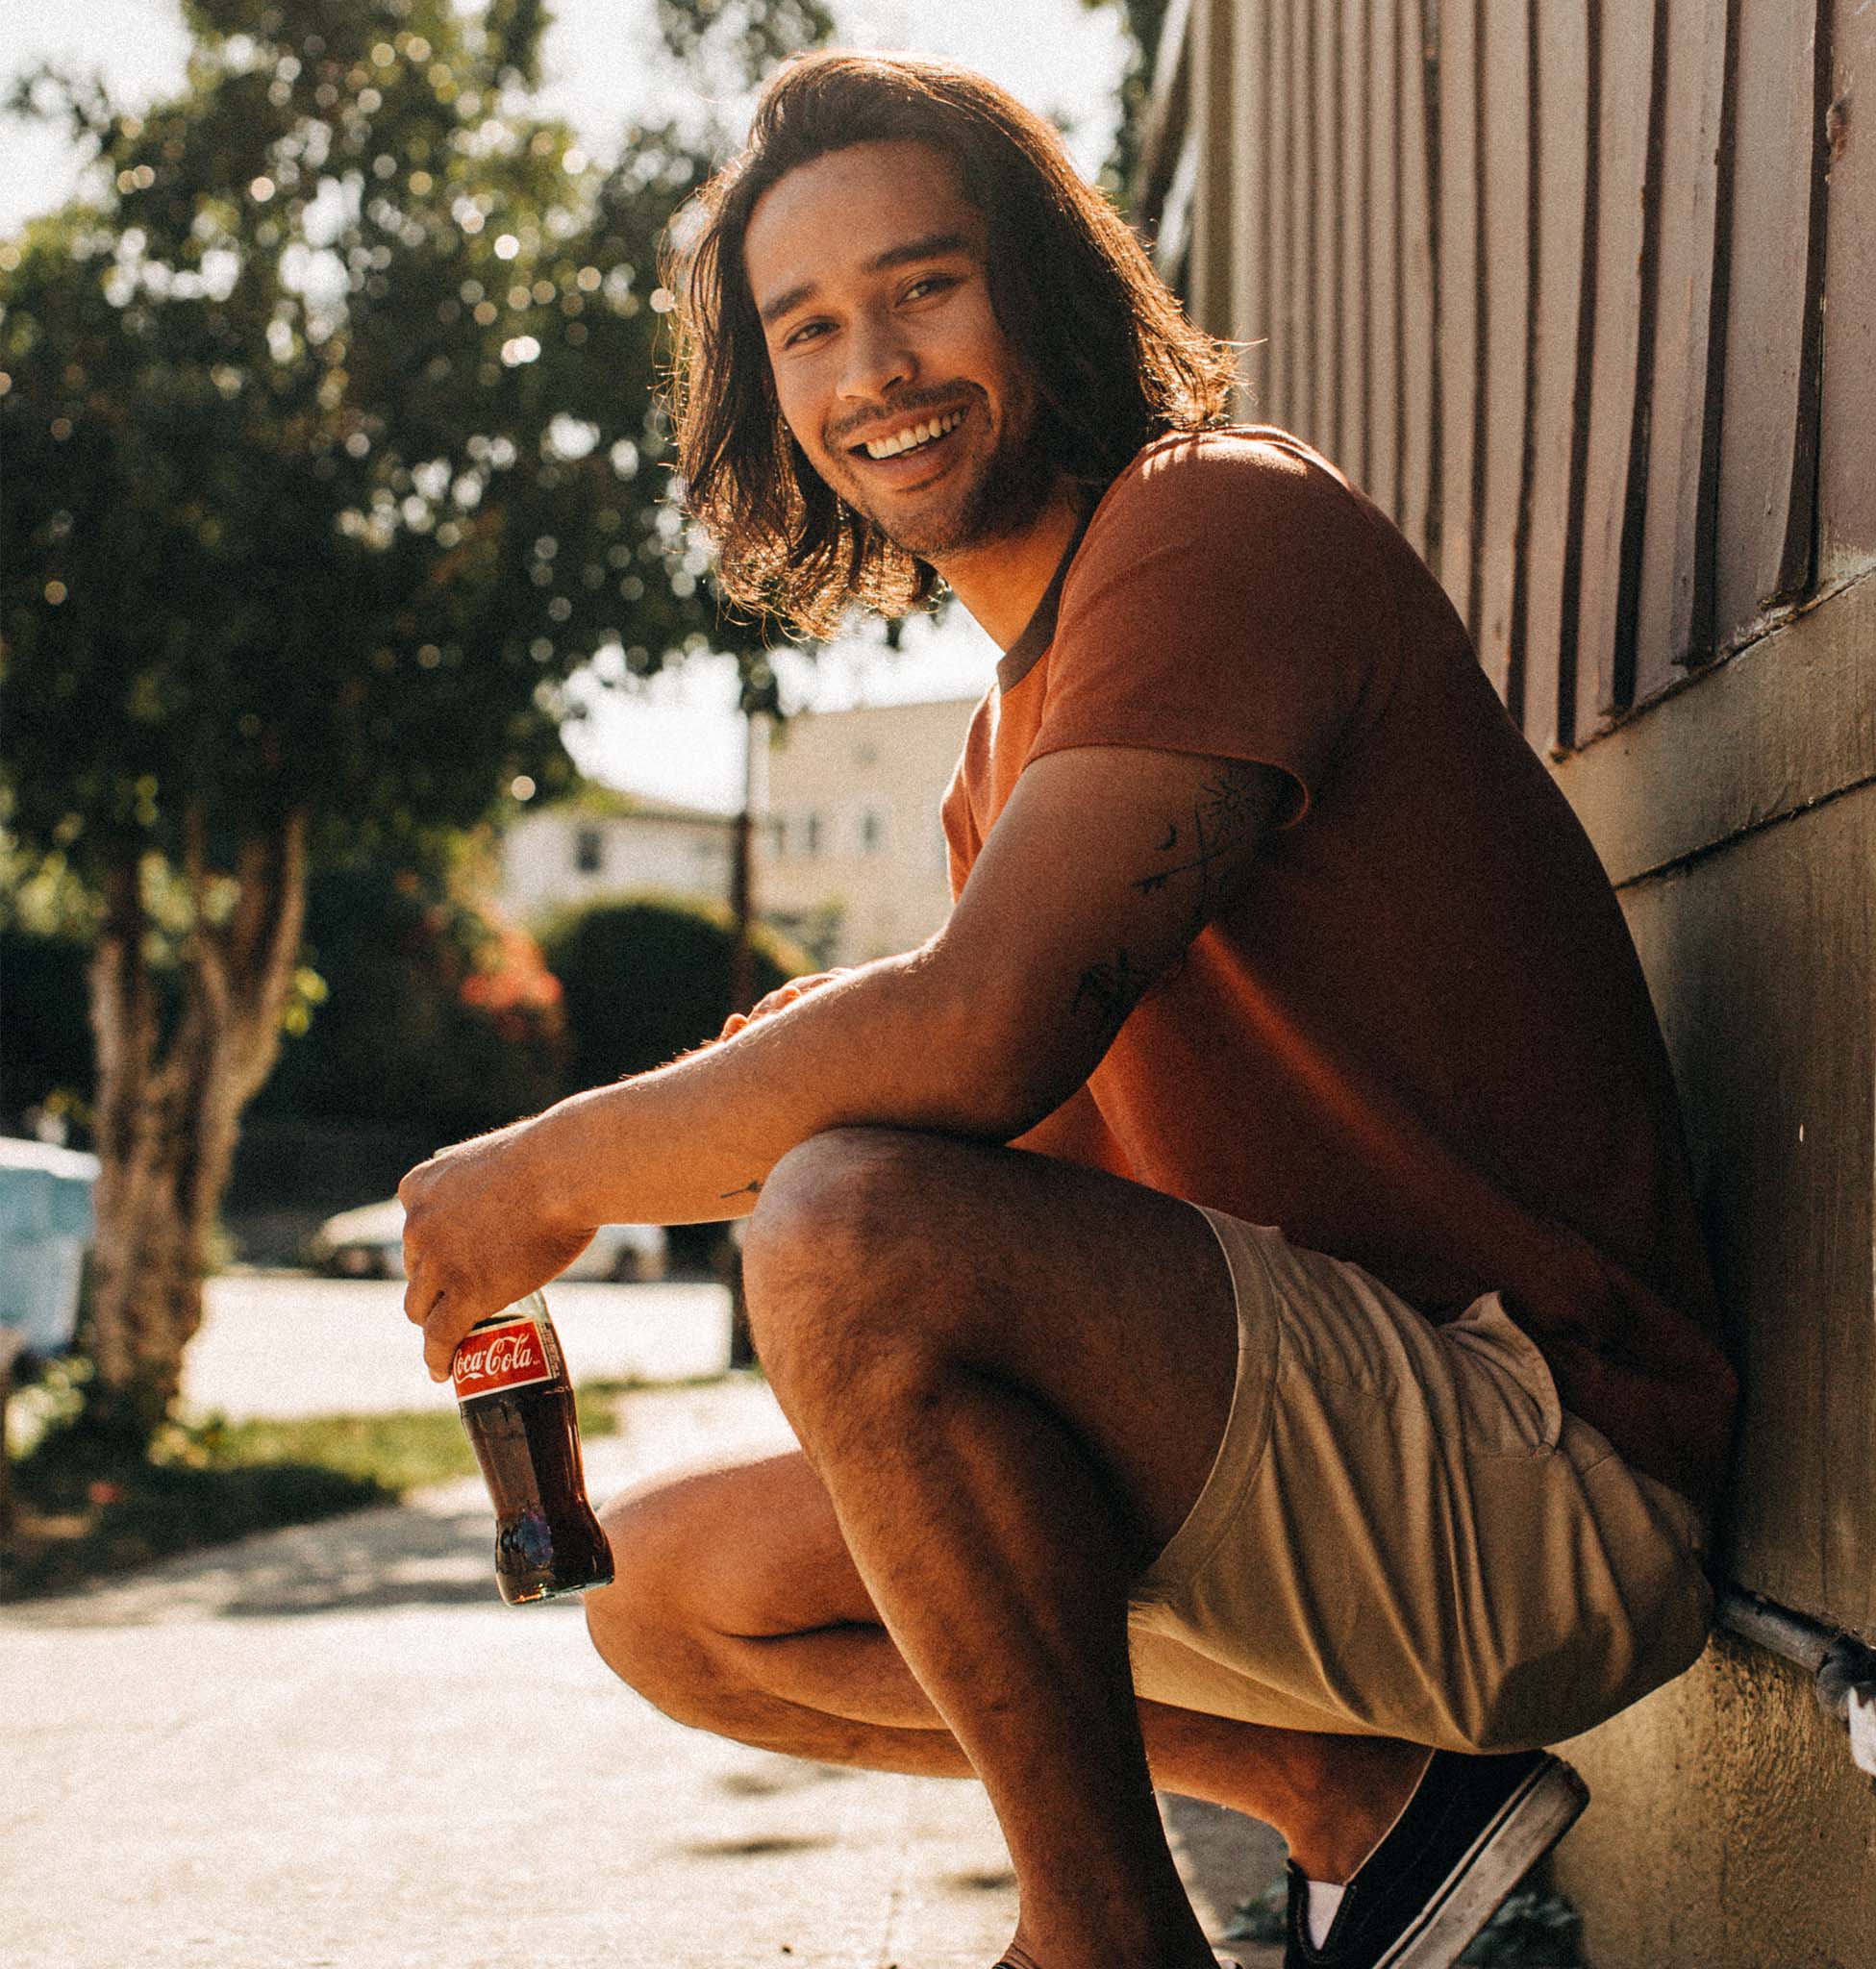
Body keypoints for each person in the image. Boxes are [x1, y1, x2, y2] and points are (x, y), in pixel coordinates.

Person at [399, 50, 1738, 1969]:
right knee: (667, 1596)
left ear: (1040, 282)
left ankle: (1097, 1944)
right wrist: (733, 1094)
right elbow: (985, 1146)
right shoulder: (1002, 751)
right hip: (1314, 1464)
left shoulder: (1214, 524)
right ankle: (1360, 1803)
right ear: (764, 392)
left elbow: (974, 1042)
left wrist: (553, 1169)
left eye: (924, 286)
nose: (874, 366)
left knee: (849, 1222)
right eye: (810, 325)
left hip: (1546, 1469)